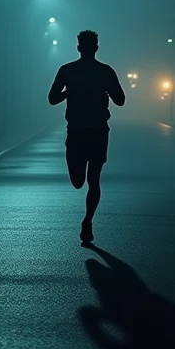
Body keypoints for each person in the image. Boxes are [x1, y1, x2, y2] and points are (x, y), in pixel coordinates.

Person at [48, 30, 125, 244]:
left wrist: (69, 92)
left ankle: (88, 221)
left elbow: (52, 99)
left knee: (90, 180)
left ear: (79, 47)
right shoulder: (103, 71)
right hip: (85, 130)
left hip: (89, 130)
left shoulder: (69, 70)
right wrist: (71, 92)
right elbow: (121, 100)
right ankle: (88, 219)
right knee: (81, 181)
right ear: (96, 48)